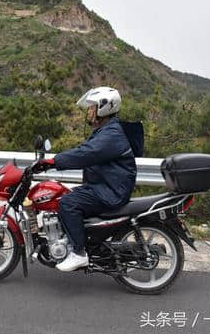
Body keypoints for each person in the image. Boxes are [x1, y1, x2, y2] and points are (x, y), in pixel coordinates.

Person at [33, 87, 137, 272]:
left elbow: (86, 154)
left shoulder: (111, 134)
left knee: (67, 203)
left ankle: (79, 253)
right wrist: (55, 161)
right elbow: (84, 151)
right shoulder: (105, 131)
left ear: (104, 108)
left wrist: (53, 162)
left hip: (111, 190)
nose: (89, 111)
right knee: (66, 197)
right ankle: (81, 242)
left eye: (92, 107)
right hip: (105, 186)